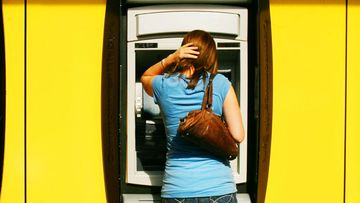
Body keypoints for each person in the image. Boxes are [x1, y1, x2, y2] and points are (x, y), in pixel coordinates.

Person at [141, 30, 244, 203]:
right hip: (219, 188)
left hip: (177, 188)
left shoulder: (164, 84)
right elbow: (238, 135)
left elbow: (146, 77)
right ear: (211, 56)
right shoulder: (221, 83)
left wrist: (172, 58)